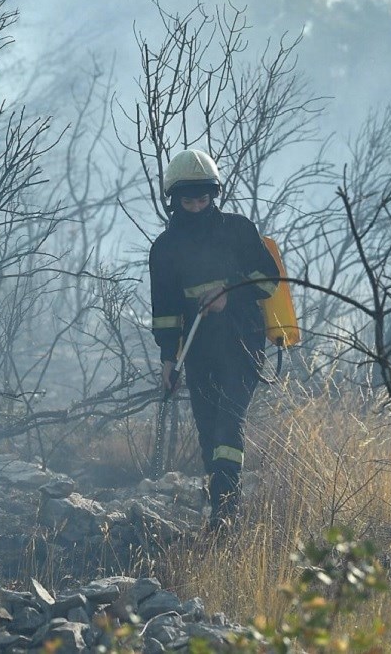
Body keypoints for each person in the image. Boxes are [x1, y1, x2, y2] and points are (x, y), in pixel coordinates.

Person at [148, 149, 279, 529]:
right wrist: (167, 362)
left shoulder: (237, 230)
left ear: (214, 195)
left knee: (227, 422)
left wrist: (229, 293)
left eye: (203, 199)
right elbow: (166, 311)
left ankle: (226, 511)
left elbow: (269, 282)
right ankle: (220, 505)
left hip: (242, 340)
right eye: (188, 200)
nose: (196, 206)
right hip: (199, 347)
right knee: (208, 429)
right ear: (174, 200)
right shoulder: (165, 249)